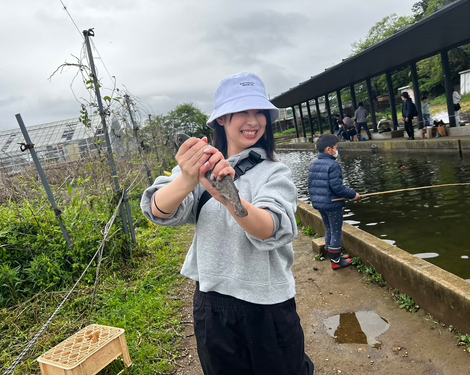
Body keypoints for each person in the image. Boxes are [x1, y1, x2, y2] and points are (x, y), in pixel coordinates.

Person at [141, 72, 314, 375]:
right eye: (243, 112)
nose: (253, 120)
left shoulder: (275, 172)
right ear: (221, 119)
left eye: (259, 112)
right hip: (212, 305)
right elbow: (157, 209)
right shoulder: (199, 166)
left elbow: (271, 227)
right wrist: (188, 179)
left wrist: (228, 197)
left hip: (268, 304)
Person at [308, 134, 361, 269]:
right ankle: (336, 261)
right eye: (336, 148)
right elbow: (337, 187)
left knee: (329, 229)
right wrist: (353, 195)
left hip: (320, 204)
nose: (338, 150)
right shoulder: (333, 165)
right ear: (328, 150)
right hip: (333, 204)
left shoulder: (314, 164)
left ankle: (334, 255)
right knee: (336, 230)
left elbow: (311, 185)